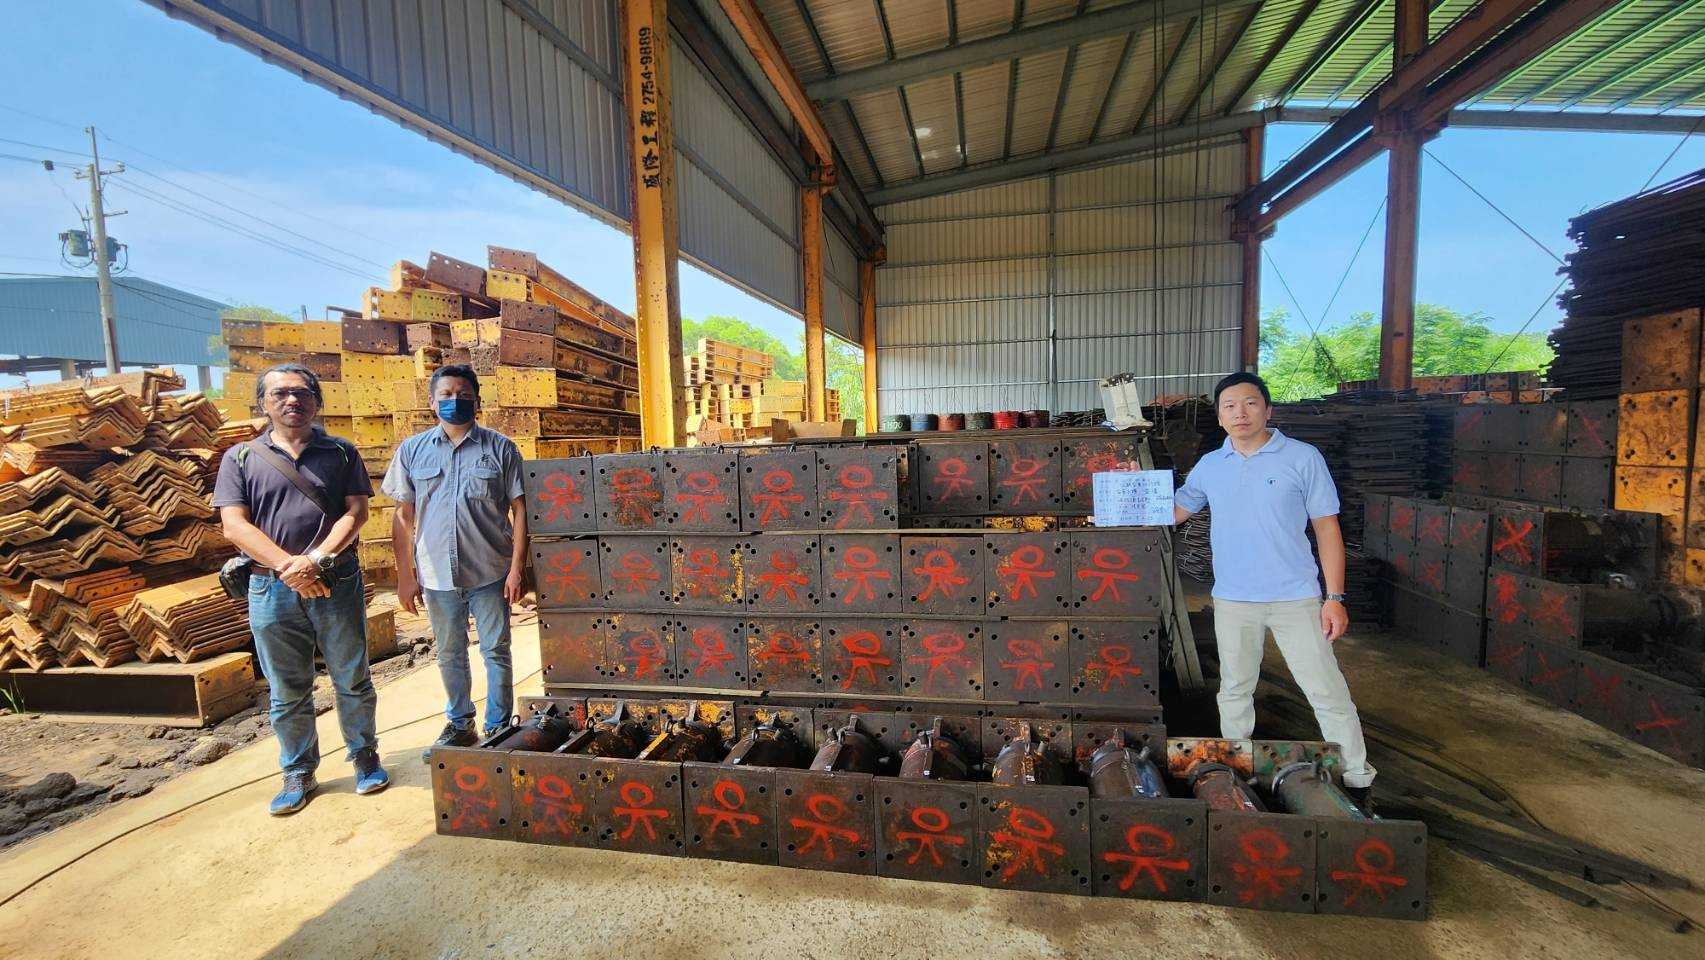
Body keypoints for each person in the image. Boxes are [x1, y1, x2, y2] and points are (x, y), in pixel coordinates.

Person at [1173, 371, 1377, 809]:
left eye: (1250, 403)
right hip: (1233, 599)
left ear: (1268, 410)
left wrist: (1334, 598)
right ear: (1219, 416)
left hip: (1295, 598)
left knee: (1325, 689)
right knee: (1235, 688)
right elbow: (1176, 510)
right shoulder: (1211, 466)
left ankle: (1357, 778)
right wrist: (1116, 509)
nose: (1240, 413)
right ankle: (1237, 774)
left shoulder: (1302, 457)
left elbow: (1327, 528)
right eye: (1229, 406)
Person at [214, 363, 388, 816]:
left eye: (302, 392)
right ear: (263, 403)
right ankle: (298, 771)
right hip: (270, 588)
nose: (292, 400)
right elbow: (234, 525)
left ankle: (364, 756)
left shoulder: (342, 453)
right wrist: (288, 568)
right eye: (280, 393)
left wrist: (315, 560)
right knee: (287, 687)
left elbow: (356, 512)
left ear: (317, 401)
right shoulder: (240, 458)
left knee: (352, 677)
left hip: (335, 580)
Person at [382, 365, 527, 761]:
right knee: (449, 653)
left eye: (463, 394)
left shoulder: (501, 448)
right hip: (437, 576)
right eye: (445, 394)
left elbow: (520, 510)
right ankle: (461, 725)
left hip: (490, 571)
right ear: (432, 402)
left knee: (496, 650)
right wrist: (405, 576)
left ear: (477, 400)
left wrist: (517, 570)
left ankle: (498, 727)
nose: (454, 401)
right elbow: (403, 517)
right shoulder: (412, 451)